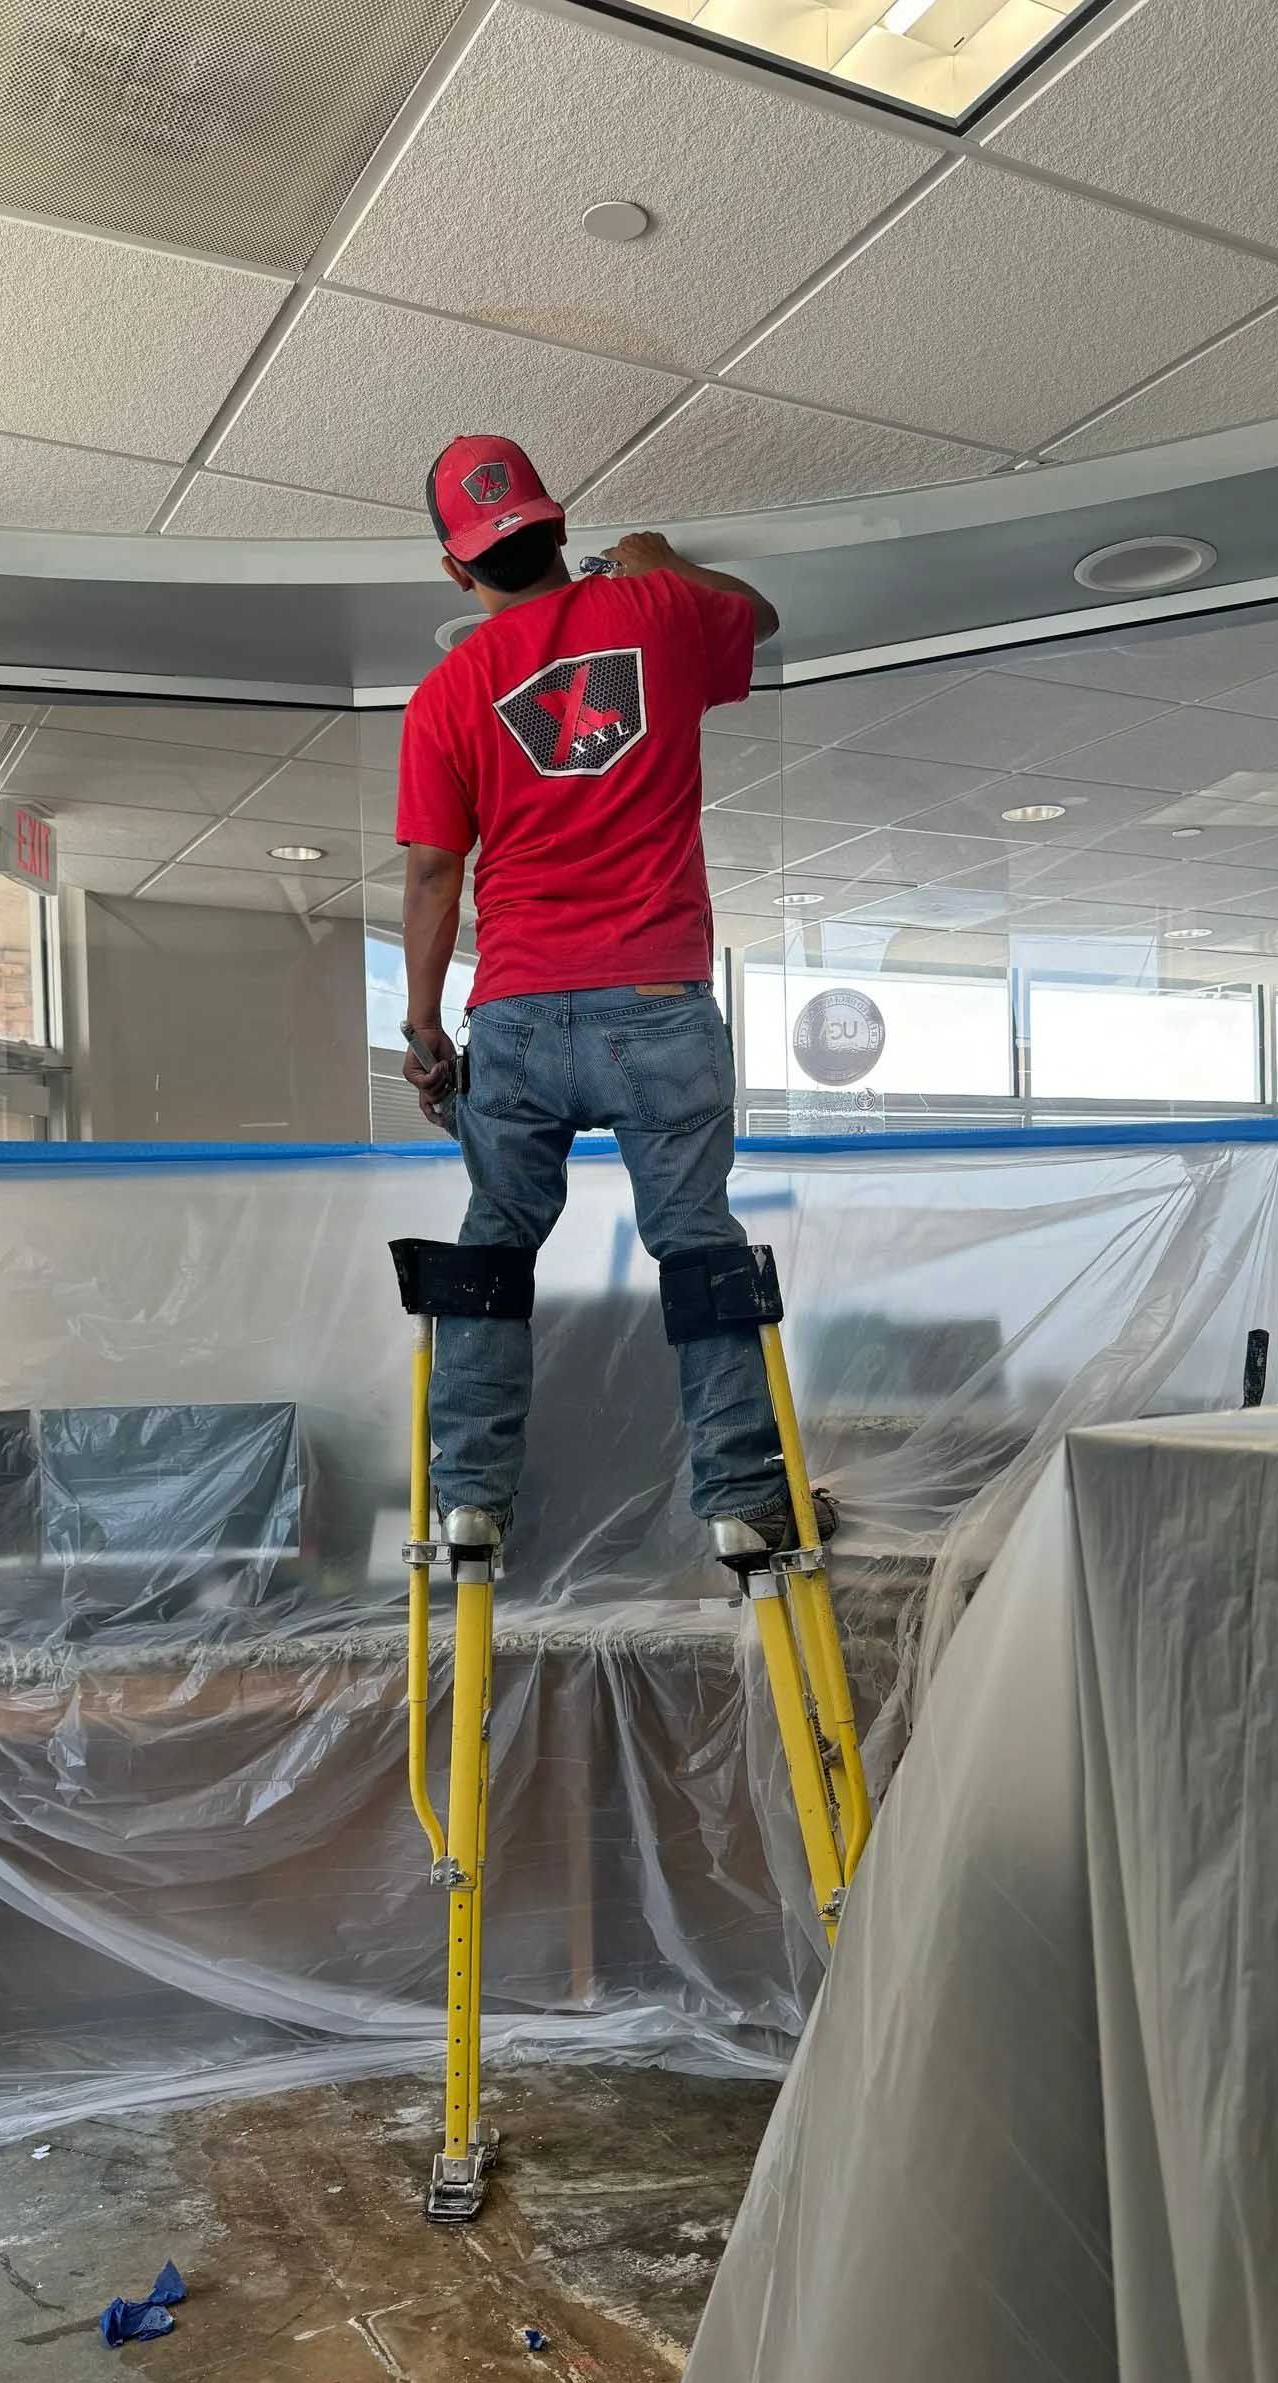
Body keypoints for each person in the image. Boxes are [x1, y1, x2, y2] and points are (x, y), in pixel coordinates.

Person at [397, 432, 825, 1555]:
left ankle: (470, 1494)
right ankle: (741, 1500)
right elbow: (761, 617)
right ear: (559, 525)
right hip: (656, 997)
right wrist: (665, 561)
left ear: (458, 569)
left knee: (495, 1242)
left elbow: (436, 873)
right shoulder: (658, 612)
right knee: (696, 1243)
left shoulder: (445, 694)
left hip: (521, 1008)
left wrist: (423, 1022)